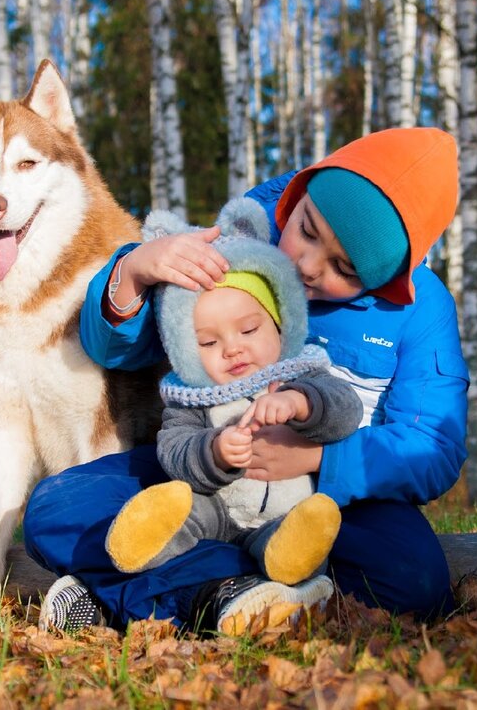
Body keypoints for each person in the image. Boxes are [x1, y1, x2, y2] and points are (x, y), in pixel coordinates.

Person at [24, 127, 469, 635]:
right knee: (55, 510)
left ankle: (150, 591)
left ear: (384, 279)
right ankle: (233, 595)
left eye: (343, 268)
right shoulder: (244, 243)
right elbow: (121, 349)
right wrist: (135, 273)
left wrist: (317, 459)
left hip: (328, 499)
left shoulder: (419, 310)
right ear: (302, 191)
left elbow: (431, 446)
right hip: (196, 472)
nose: (305, 264)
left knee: (416, 581)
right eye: (308, 229)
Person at [103, 198, 363, 634]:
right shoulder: (190, 397)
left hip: (284, 508)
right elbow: (175, 450)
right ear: (184, 348)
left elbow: (345, 410)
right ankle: (145, 540)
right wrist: (216, 452)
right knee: (186, 507)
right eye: (207, 342)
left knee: (293, 533)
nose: (232, 349)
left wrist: (300, 404)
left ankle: (291, 559)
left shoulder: (304, 372)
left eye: (248, 330)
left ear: (281, 323)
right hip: (218, 510)